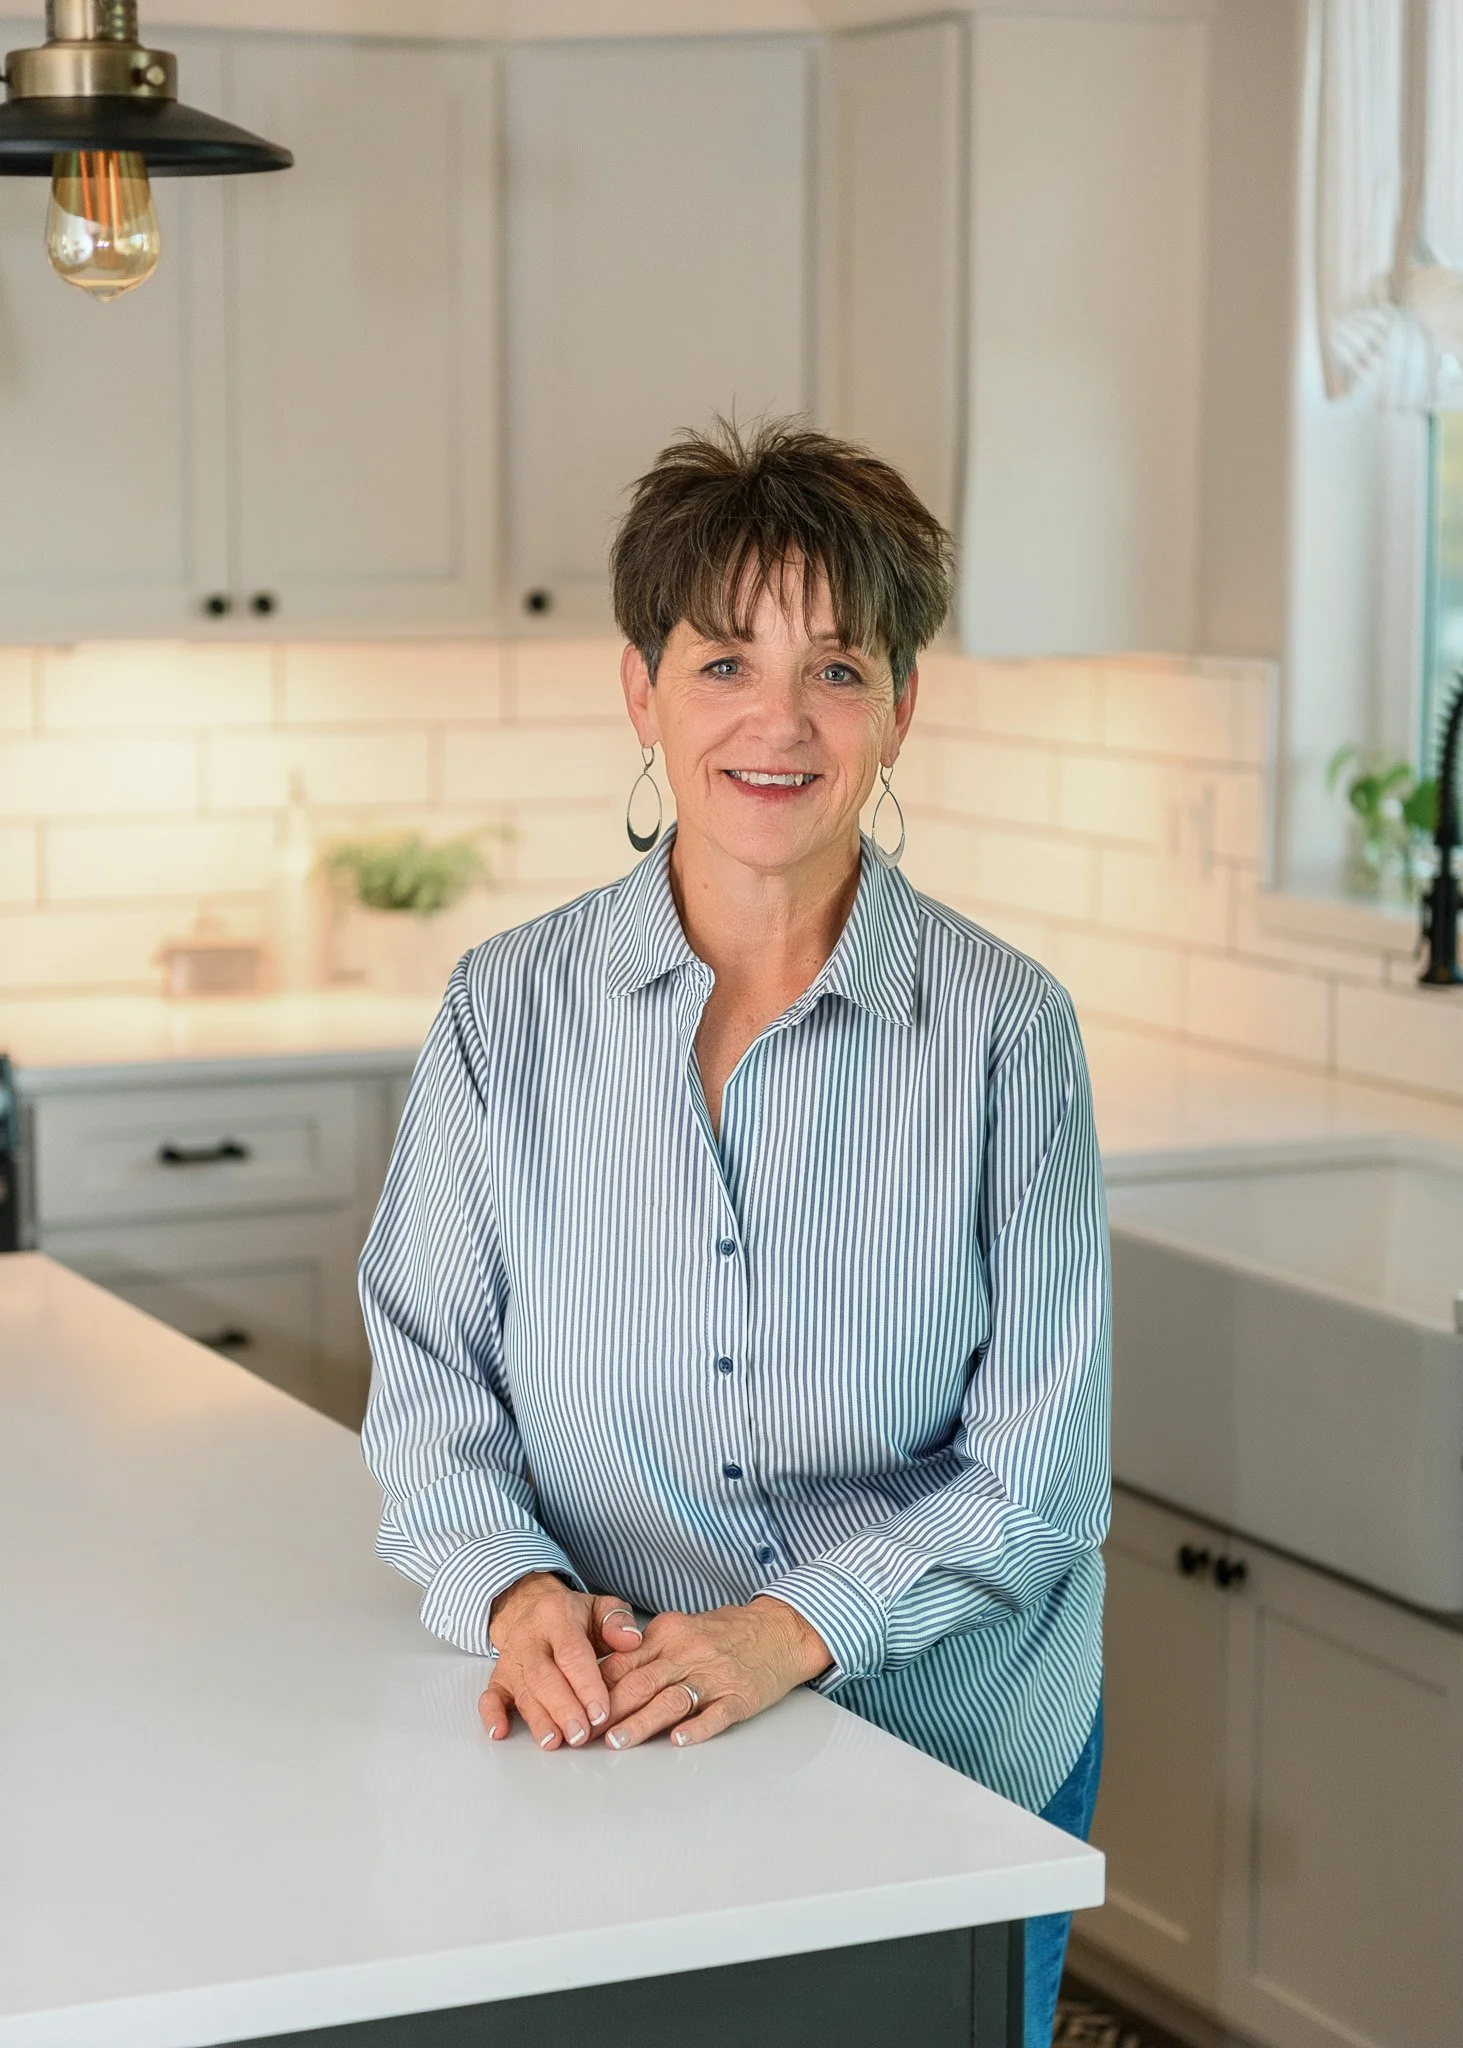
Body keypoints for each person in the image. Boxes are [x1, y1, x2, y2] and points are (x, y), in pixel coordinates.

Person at [359, 418, 1111, 2048]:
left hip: (948, 1745)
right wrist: (512, 1594)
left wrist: (792, 1634)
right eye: (723, 663)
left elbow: (1039, 1481)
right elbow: (430, 1385)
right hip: (621, 1751)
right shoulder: (508, 1011)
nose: (778, 721)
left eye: (838, 667)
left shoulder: (1004, 1033)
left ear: (903, 708)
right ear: (640, 692)